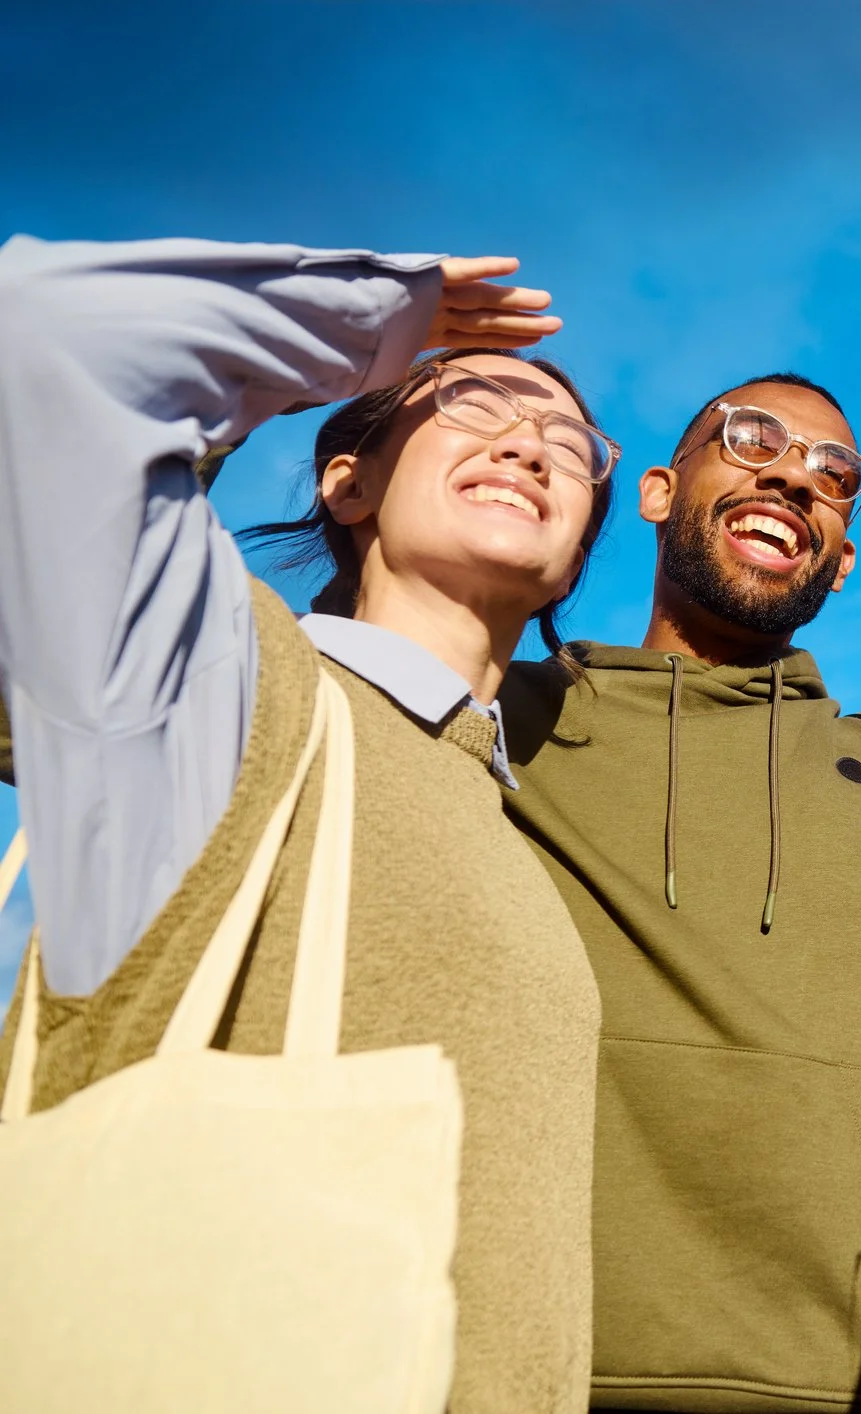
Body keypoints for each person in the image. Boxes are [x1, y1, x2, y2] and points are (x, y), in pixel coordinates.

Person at [0, 237, 614, 1412]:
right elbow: (44, 344)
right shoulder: (218, 684)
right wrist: (378, 318)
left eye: (570, 444)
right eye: (472, 396)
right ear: (349, 481)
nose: (530, 440)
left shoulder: (509, 825)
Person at [496, 375, 861, 1413]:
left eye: (834, 474)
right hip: (528, 1375)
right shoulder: (499, 717)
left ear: (842, 560)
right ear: (659, 491)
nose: (793, 475)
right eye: (751, 437)